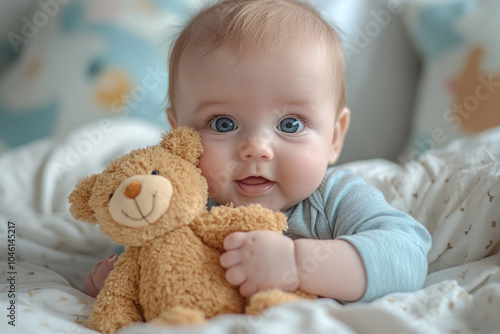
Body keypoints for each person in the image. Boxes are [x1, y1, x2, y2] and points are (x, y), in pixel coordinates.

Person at [83, 0, 431, 303]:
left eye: (291, 124)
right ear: (179, 135)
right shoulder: (185, 201)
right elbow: (141, 252)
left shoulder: (334, 199)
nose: (256, 149)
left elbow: (406, 256)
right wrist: (115, 278)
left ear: (335, 138)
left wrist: (298, 264)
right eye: (222, 124)